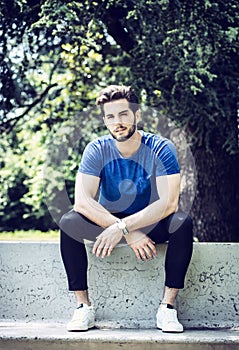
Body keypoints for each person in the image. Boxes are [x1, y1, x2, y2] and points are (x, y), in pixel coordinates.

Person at [59, 85, 193, 333]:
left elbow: (169, 203)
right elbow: (82, 201)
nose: (117, 122)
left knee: (182, 222)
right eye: (110, 116)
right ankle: (83, 308)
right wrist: (124, 230)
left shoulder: (161, 148)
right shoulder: (96, 149)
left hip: (150, 220)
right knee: (68, 222)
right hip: (108, 221)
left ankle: (167, 308)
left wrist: (125, 227)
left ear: (137, 115)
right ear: (104, 120)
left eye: (123, 114)